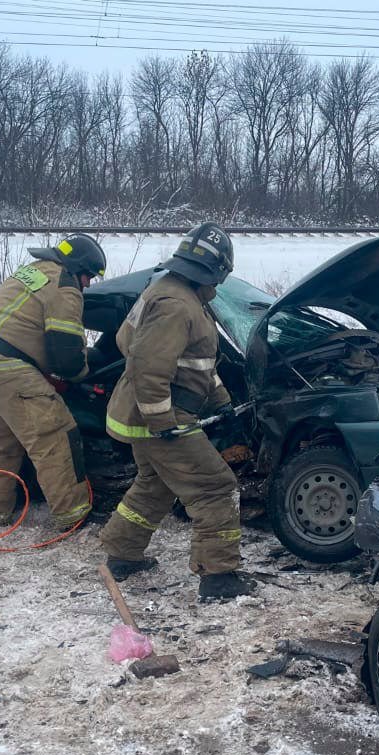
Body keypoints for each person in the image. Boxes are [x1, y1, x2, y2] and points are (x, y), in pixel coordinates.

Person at [99, 222, 255, 601]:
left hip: (144, 414)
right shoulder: (176, 306)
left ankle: (122, 554)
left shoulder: (165, 291)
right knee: (216, 487)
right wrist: (161, 421)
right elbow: (149, 367)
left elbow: (189, 363)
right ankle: (218, 577)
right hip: (159, 418)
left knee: (155, 484)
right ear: (213, 273)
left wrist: (220, 401)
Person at [0, 234, 107, 530]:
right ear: (77, 267)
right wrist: (81, 376)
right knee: (54, 436)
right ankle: (73, 515)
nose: (88, 284)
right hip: (10, 367)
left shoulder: (32, 271)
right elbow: (66, 355)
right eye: (88, 276)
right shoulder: (65, 284)